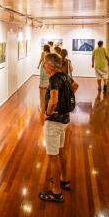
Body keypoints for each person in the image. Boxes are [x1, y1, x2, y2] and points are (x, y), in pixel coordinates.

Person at [39, 53, 79, 203]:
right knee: (61, 150)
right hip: (64, 120)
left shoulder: (54, 78)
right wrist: (65, 99)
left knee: (52, 157)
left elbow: (53, 101)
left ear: (52, 66)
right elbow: (75, 86)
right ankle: (65, 180)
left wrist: (47, 114)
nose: (43, 66)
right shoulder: (64, 75)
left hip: (54, 122)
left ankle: (56, 191)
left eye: (45, 63)